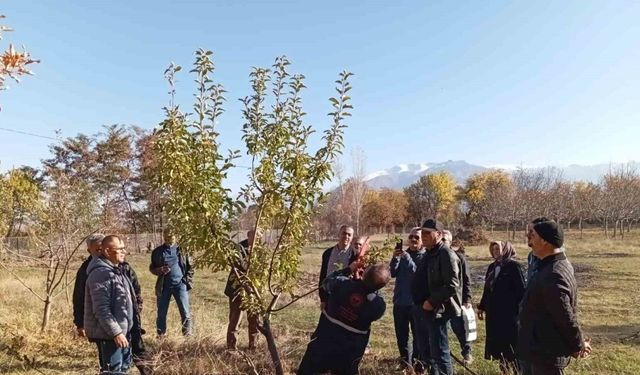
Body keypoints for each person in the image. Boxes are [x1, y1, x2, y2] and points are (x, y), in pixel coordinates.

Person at [518, 218, 592, 375]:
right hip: (538, 351)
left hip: (546, 355)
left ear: (545, 241)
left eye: (533, 236)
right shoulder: (549, 265)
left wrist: (577, 345)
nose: (529, 241)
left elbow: (564, 316)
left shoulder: (553, 273)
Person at [297, 263, 390, 375]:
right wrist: (366, 287)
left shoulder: (342, 283)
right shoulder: (377, 305)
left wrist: (349, 270)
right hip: (349, 353)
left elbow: (326, 283)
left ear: (364, 273)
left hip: (323, 344)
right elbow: (376, 306)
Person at [84, 235, 136, 374]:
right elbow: (101, 309)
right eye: (120, 249)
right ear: (107, 251)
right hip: (110, 336)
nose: (124, 252)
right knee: (113, 372)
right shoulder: (101, 274)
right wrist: (116, 333)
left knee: (123, 370)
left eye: (124, 248)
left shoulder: (116, 270)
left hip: (123, 334)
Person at [417, 219, 462, 375]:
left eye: (427, 233)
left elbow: (453, 284)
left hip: (439, 310)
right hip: (426, 310)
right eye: (422, 233)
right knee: (430, 352)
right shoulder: (429, 253)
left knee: (440, 353)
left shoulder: (445, 254)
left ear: (439, 234)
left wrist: (431, 301)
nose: (423, 236)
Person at [477, 241, 525, 374]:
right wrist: (481, 307)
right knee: (499, 345)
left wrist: (521, 313)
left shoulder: (514, 267)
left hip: (510, 314)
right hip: (494, 314)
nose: (495, 252)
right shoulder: (492, 267)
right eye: (493, 249)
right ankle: (504, 371)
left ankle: (517, 371)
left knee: (511, 346)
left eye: (498, 248)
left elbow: (522, 291)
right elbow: (487, 290)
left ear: (505, 249)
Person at [389, 227, 425, 369]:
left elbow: (417, 274)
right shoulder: (404, 254)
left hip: (416, 303)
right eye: (411, 237)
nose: (413, 240)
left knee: (418, 336)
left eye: (417, 237)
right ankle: (405, 362)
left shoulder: (425, 256)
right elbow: (393, 273)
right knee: (401, 335)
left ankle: (417, 363)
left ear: (422, 240)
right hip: (400, 302)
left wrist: (407, 258)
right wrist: (395, 258)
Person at [150, 232, 194, 336]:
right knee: (161, 313)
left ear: (175, 237)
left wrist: (186, 281)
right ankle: (161, 336)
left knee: (185, 313)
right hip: (163, 286)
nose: (169, 239)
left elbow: (191, 267)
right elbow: (152, 268)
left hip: (180, 285)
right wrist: (159, 270)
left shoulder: (183, 250)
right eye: (167, 237)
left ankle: (187, 338)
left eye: (171, 237)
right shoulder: (157, 252)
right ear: (163, 237)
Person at [224, 229, 260, 350]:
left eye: (258, 238)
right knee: (235, 320)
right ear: (248, 236)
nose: (255, 240)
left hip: (254, 292)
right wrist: (245, 286)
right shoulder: (239, 249)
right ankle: (231, 348)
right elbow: (237, 270)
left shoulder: (261, 251)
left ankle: (253, 347)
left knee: (254, 320)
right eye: (253, 237)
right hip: (237, 290)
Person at [443, 232, 474, 365]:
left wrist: (467, 299)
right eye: (441, 238)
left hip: (457, 300)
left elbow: (466, 280)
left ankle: (467, 353)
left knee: (460, 328)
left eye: (445, 239)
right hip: (441, 301)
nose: (442, 241)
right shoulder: (434, 257)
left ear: (450, 242)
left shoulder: (459, 258)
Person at [121, 250, 151, 374]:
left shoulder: (126, 268)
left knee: (138, 346)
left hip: (132, 316)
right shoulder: (96, 269)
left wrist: (137, 308)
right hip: (113, 323)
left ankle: (147, 371)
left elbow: (136, 289)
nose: (123, 252)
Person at [73, 233, 105, 338]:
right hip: (96, 321)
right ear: (89, 251)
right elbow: (79, 297)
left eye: (104, 249)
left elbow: (134, 290)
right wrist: (80, 324)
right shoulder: (85, 271)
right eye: (97, 250)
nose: (102, 253)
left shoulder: (120, 265)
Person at [318, 225, 357, 308]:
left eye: (349, 235)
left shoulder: (354, 255)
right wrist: (323, 299)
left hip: (345, 296)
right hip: (328, 294)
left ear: (352, 238)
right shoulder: (328, 253)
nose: (346, 236)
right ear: (338, 234)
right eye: (344, 233)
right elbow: (323, 275)